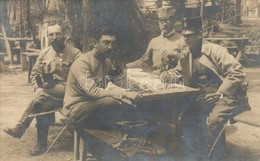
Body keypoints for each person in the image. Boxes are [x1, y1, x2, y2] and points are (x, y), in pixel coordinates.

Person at [161, 16, 251, 161]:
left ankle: (216, 157)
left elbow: (237, 72)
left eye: (189, 36)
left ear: (200, 34)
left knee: (213, 122)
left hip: (226, 96)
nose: (186, 40)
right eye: (184, 36)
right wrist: (169, 74)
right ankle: (195, 155)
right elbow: (179, 71)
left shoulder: (216, 50)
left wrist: (219, 93)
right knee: (186, 118)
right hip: (202, 98)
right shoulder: (187, 54)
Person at [3, 23, 82, 156]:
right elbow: (34, 74)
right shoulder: (45, 53)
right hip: (50, 94)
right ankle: (41, 145)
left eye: (58, 34)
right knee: (40, 104)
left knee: (41, 93)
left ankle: (21, 127)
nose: (55, 37)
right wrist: (37, 87)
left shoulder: (75, 53)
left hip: (70, 92)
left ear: (64, 35)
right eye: (51, 34)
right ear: (47, 37)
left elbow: (82, 76)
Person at [63, 26, 142, 133]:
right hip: (75, 109)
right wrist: (125, 94)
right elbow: (93, 92)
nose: (110, 47)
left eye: (113, 43)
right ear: (95, 43)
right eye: (106, 42)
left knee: (130, 108)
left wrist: (138, 86)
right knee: (112, 102)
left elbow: (119, 80)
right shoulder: (82, 63)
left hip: (94, 106)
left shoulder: (106, 61)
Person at [126, 6, 186, 75]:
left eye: (168, 20)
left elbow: (186, 63)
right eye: (161, 21)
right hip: (155, 80)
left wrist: (177, 56)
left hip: (173, 81)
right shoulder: (154, 41)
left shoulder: (181, 40)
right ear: (158, 22)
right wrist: (125, 66)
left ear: (173, 21)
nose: (164, 24)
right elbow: (144, 63)